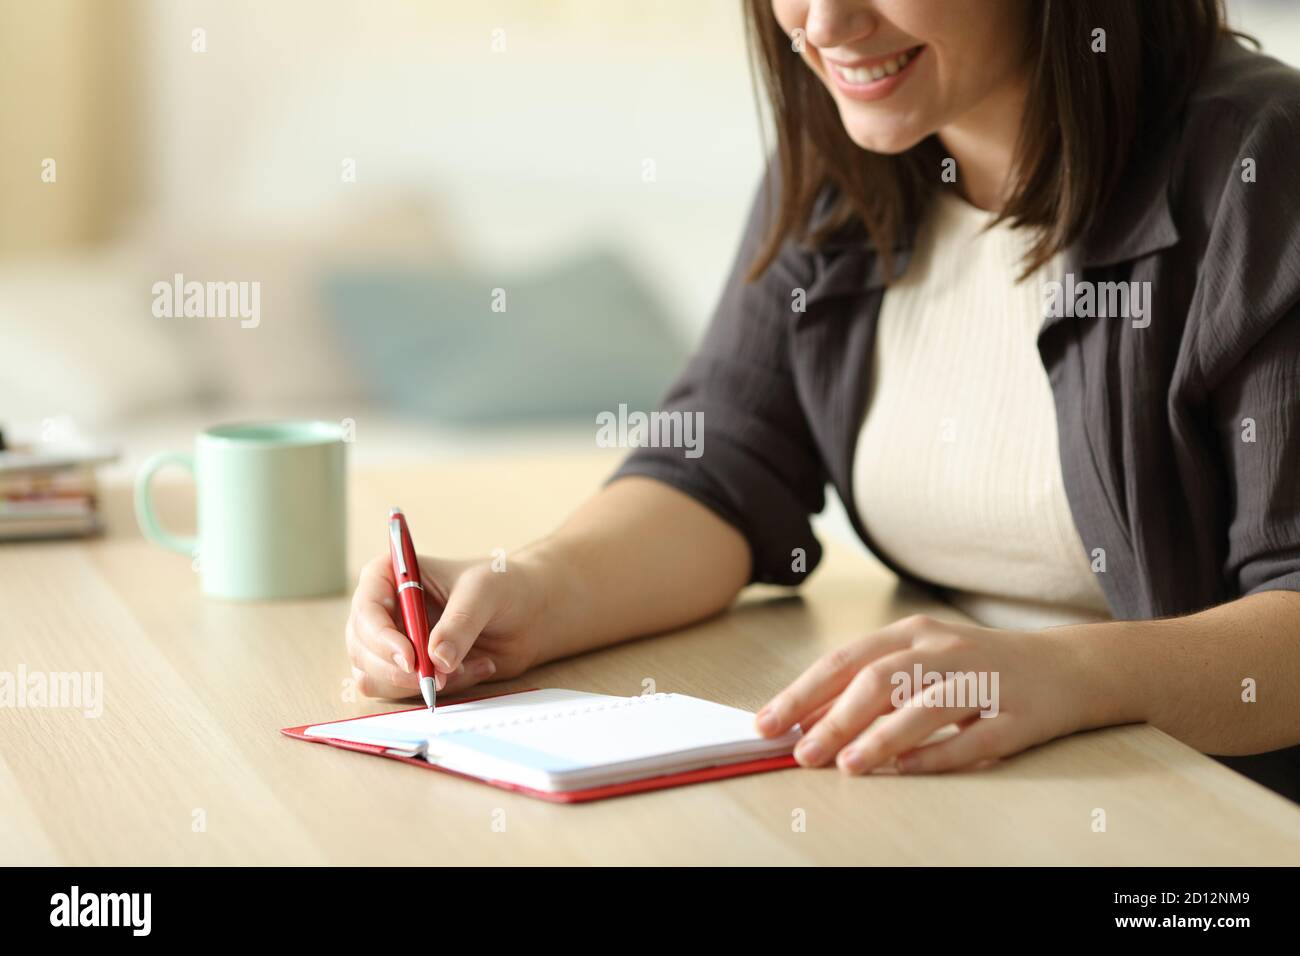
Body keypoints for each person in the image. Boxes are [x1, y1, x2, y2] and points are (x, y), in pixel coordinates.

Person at [345, 1, 1300, 796]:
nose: (823, 23)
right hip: (951, 794)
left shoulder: (1262, 163)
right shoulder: (845, 156)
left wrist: (1072, 672)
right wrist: (534, 591)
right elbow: (719, 471)